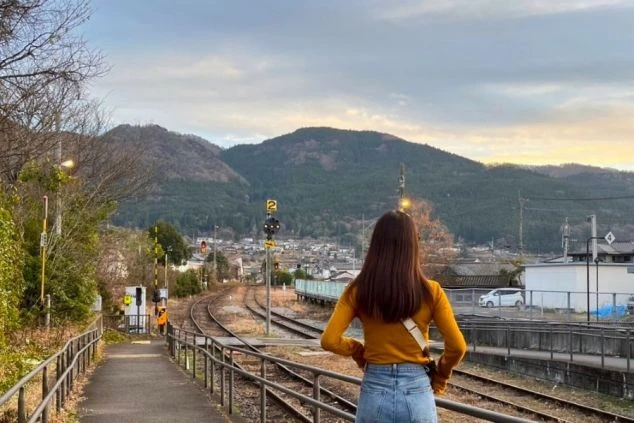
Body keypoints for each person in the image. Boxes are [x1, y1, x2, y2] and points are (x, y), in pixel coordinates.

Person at [321, 210, 467, 423]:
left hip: (374, 389)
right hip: (417, 391)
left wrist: (358, 351)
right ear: (413, 245)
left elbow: (329, 340)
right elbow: (458, 346)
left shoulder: (357, 290)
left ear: (376, 245)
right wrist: (441, 377)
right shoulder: (432, 291)